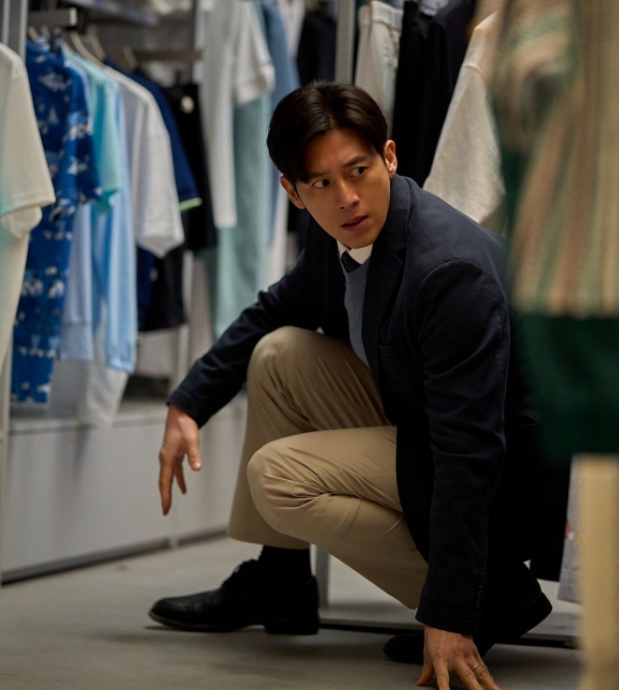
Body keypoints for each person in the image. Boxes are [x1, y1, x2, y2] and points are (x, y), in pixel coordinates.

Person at [151, 82, 554, 690]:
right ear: (293, 192)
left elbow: (470, 451)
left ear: (389, 157)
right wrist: (187, 404)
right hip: (424, 419)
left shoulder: (448, 271)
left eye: (358, 170)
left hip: (512, 472)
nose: (346, 198)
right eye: (320, 183)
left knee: (276, 475)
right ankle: (282, 579)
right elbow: (273, 309)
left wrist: (452, 610)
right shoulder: (340, 229)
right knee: (279, 354)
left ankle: (492, 594)